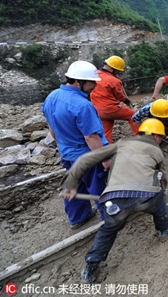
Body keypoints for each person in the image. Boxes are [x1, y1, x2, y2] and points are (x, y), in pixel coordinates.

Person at [62, 119, 168, 284]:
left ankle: (91, 266)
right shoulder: (156, 151)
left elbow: (85, 160)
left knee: (108, 229)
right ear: (156, 136)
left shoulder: (120, 144)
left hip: (114, 199)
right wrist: (162, 198)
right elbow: (162, 177)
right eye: (161, 138)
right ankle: (164, 228)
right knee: (159, 207)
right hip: (146, 197)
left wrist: (71, 183)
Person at [41, 61, 108, 229]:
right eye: (92, 82)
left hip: (68, 155)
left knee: (75, 185)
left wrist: (60, 146)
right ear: (79, 81)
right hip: (87, 157)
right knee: (98, 188)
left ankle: (78, 217)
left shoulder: (52, 97)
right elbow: (91, 137)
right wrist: (105, 159)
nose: (94, 86)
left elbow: (52, 126)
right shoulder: (82, 105)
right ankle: (111, 221)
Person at [90, 56, 139, 144]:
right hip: (110, 109)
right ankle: (140, 139)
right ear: (112, 69)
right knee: (133, 116)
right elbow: (120, 96)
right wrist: (126, 100)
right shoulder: (114, 80)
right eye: (118, 71)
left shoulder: (95, 75)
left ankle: (106, 149)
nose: (118, 73)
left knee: (106, 131)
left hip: (97, 109)